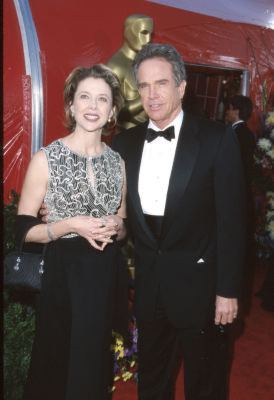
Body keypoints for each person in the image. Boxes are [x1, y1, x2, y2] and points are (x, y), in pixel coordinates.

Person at [112, 43, 246, 400]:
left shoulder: (217, 139)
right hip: (150, 290)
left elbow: (233, 222)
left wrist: (228, 290)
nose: (152, 95)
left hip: (202, 291)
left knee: (206, 384)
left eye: (161, 83)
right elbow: (116, 214)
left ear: (182, 87)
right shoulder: (123, 144)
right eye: (143, 85)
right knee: (152, 383)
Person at [18, 64, 127, 400]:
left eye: (102, 99)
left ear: (112, 111)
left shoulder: (118, 162)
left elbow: (123, 227)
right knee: (58, 363)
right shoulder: (46, 158)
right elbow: (23, 231)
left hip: (105, 274)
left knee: (93, 365)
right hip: (63, 274)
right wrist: (69, 225)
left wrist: (117, 226)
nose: (93, 106)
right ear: (71, 105)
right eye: (85, 97)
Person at [226, 95, 256, 314]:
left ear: (235, 110)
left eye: (228, 108)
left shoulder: (233, 134)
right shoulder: (249, 134)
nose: (226, 112)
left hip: (234, 197)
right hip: (245, 196)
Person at [107, 14, 153, 129]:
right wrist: (146, 96)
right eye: (143, 33)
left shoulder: (147, 63)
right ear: (128, 32)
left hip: (148, 136)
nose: (147, 40)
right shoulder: (116, 66)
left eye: (150, 34)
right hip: (125, 139)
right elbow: (112, 112)